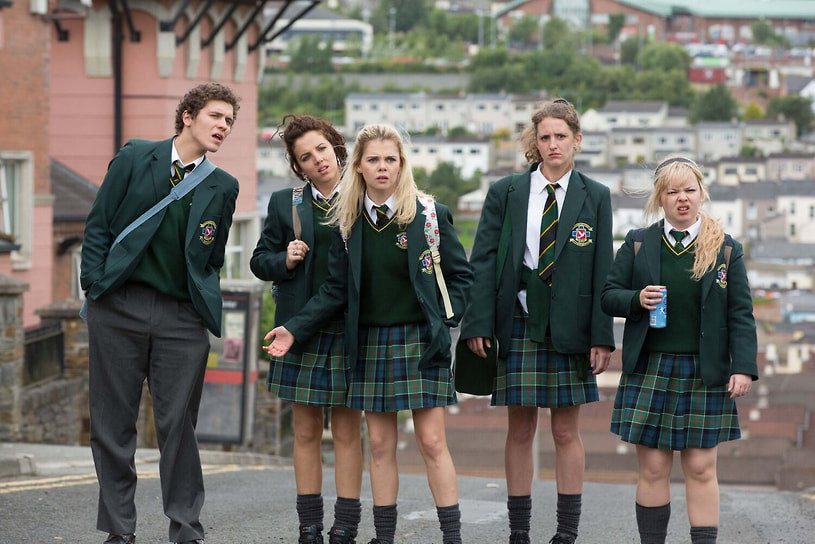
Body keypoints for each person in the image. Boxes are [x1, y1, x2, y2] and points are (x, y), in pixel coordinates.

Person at [265, 124, 473, 544]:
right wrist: (293, 329)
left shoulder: (429, 214)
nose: (383, 167)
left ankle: (453, 537)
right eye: (373, 159)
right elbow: (335, 290)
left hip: (420, 341)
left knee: (433, 443)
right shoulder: (347, 222)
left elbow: (462, 278)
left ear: (402, 164)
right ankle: (384, 537)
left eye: (390, 159)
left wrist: (442, 321)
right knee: (378, 445)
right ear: (358, 166)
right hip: (369, 344)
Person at [80, 83, 241, 544]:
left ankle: (187, 530)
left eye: (229, 121)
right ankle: (119, 530)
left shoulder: (223, 186)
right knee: (112, 424)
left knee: (178, 428)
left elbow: (211, 256)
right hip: (119, 308)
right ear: (188, 116)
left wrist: (200, 304)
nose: (223, 126)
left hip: (182, 319)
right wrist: (95, 285)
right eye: (215, 116)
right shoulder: (135, 158)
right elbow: (99, 225)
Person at [459, 98, 614, 544]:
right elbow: (482, 260)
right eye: (544, 137)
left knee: (566, 430)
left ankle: (566, 532)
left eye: (561, 136)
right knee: (521, 428)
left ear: (577, 141)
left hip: (571, 326)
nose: (552, 145)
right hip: (518, 321)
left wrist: (602, 336)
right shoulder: (506, 191)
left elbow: (602, 269)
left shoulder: (596, 195)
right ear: (535, 141)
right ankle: (519, 532)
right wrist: (477, 324)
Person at [601, 156, 758, 544]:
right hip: (650, 367)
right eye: (673, 192)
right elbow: (608, 295)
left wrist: (743, 367)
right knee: (653, 468)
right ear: (661, 197)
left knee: (702, 468)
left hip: (705, 371)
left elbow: (741, 313)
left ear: (702, 193)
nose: (682, 198)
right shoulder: (639, 242)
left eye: (690, 190)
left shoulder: (725, 249)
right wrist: (636, 298)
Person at [250, 114, 363, 544]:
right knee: (305, 431)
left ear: (336, 148)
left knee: (348, 432)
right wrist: (284, 258)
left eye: (322, 149)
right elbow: (259, 261)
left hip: (348, 328)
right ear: (298, 167)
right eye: (305, 157)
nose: (317, 159)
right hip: (299, 330)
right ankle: (309, 526)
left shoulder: (363, 196)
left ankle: (345, 526)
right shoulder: (286, 202)